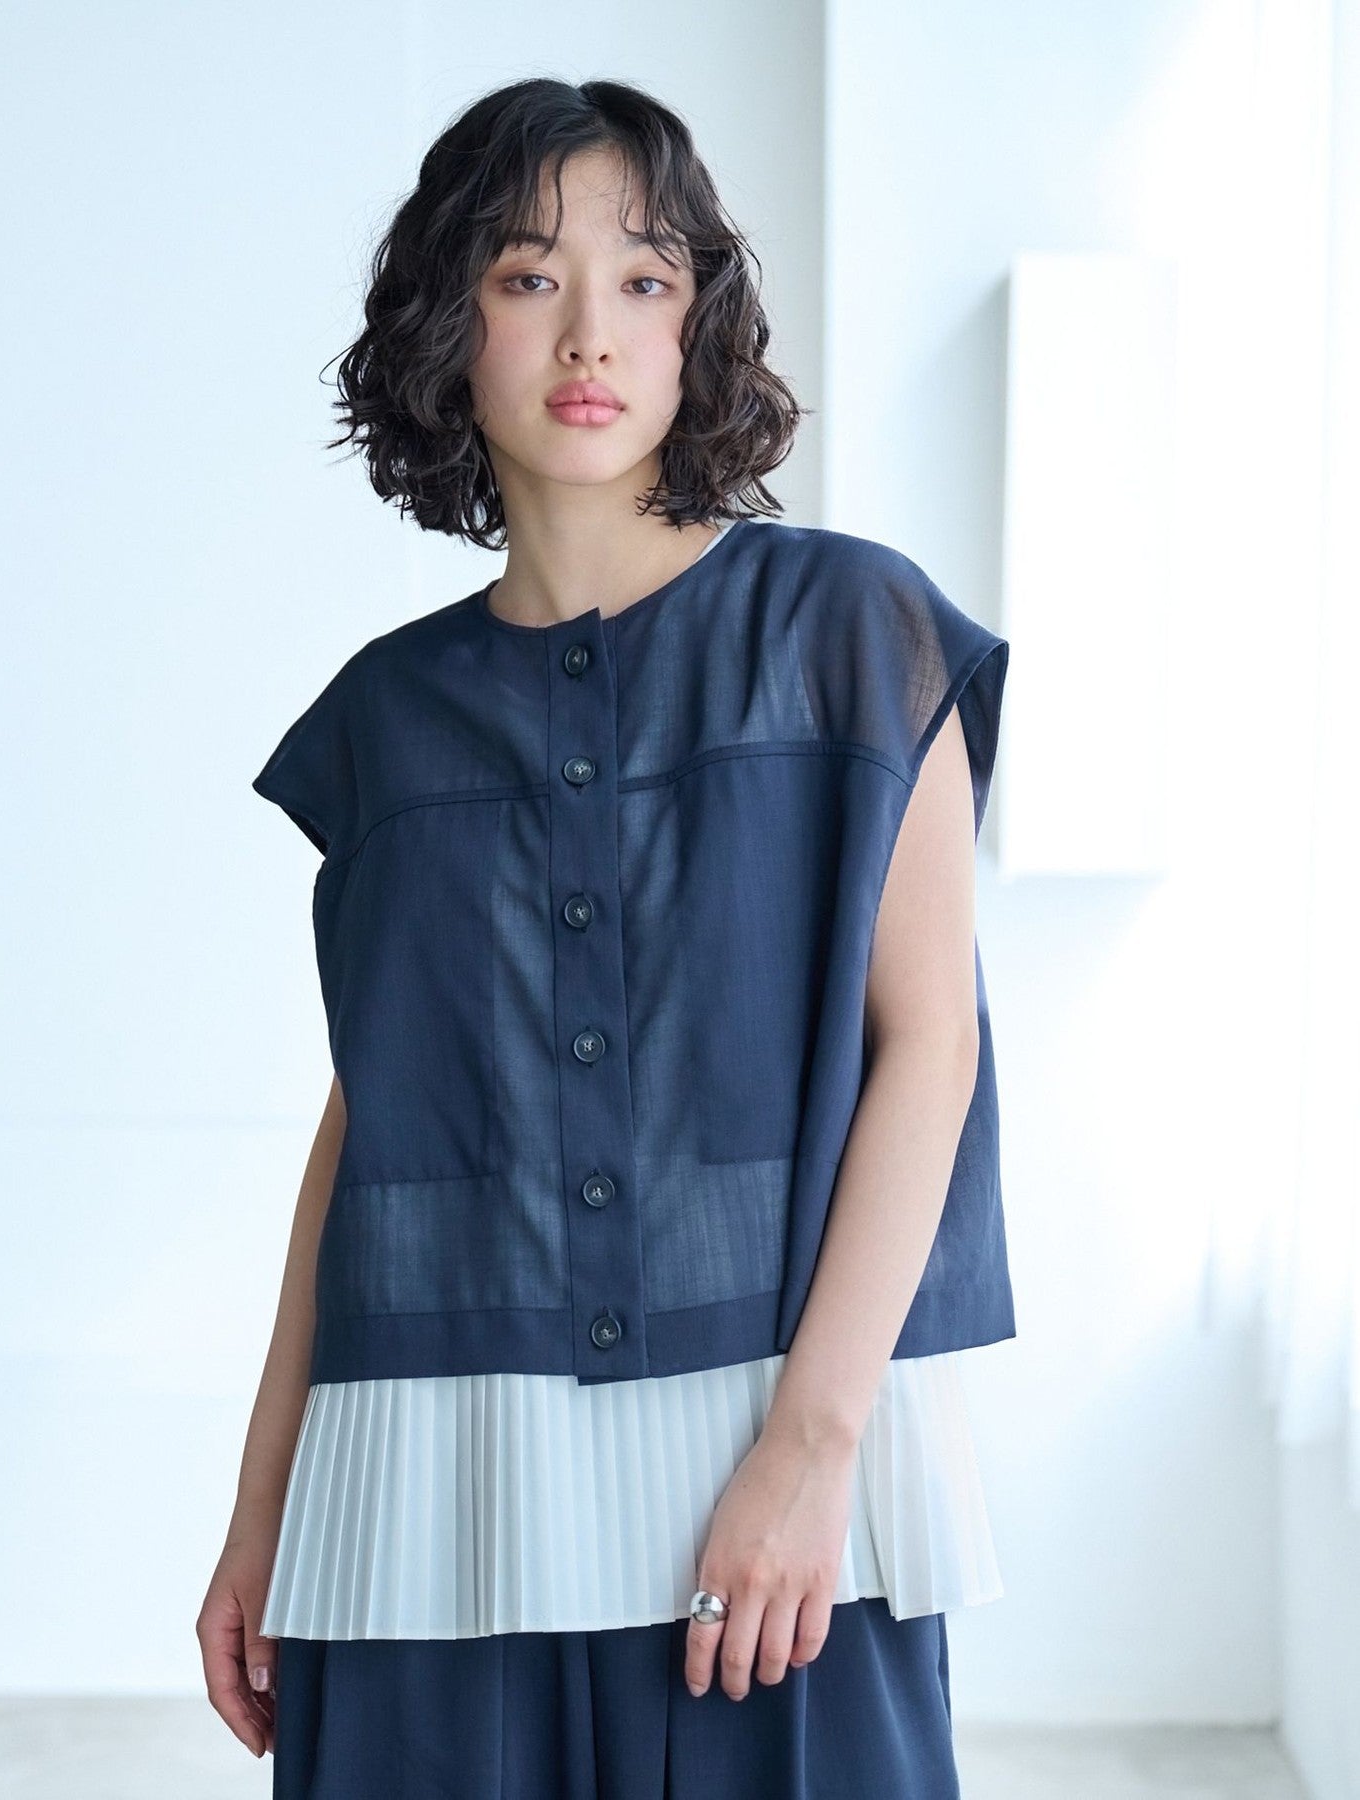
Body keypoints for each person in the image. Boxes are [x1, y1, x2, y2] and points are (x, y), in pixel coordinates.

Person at [197, 75, 1012, 1800]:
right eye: (527, 276)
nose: (590, 333)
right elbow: (368, 1125)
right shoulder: (383, 722)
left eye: (644, 279)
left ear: (698, 321)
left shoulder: (855, 634)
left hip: (780, 1476)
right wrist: (264, 1506)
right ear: (450, 324)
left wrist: (811, 1447)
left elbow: (929, 1046)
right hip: (423, 1486)